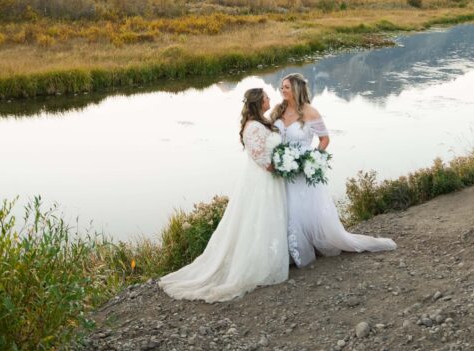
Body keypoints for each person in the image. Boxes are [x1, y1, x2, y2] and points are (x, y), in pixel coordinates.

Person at [159, 88, 288, 302]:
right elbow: (260, 158)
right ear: (258, 102)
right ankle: (253, 265)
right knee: (256, 219)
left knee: (265, 219)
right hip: (262, 180)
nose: (269, 99)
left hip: (268, 181)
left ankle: (269, 258)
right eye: (266, 97)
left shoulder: (262, 122)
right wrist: (281, 167)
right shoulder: (253, 127)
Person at [271, 73, 396, 267]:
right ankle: (289, 250)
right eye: (282, 87)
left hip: (303, 170)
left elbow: (324, 139)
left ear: (296, 89)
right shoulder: (277, 111)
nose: (282, 90)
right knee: (287, 209)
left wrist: (311, 159)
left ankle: (308, 246)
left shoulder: (311, 112)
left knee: (302, 208)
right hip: (284, 171)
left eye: (286, 87)